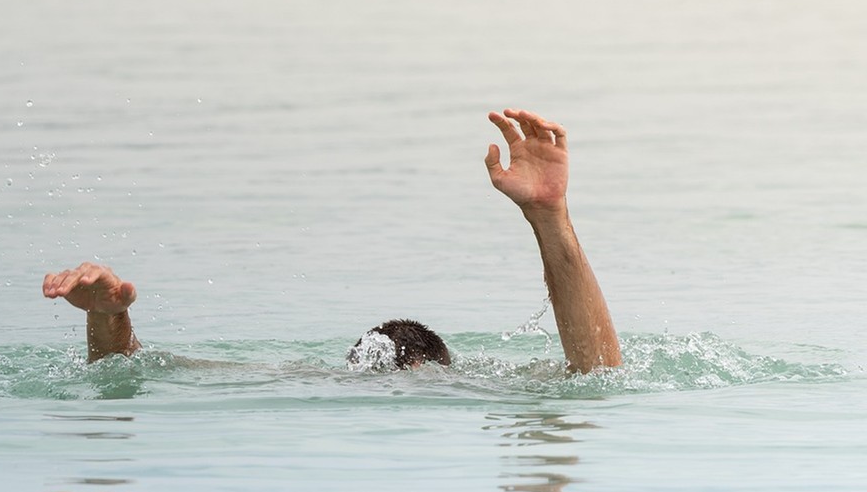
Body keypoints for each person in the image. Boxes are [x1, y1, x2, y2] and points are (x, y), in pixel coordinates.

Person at [42, 109, 622, 373]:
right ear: (439, 371)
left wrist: (107, 321)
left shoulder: (299, 380)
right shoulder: (475, 391)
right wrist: (552, 223)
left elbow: (133, 371)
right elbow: (597, 373)